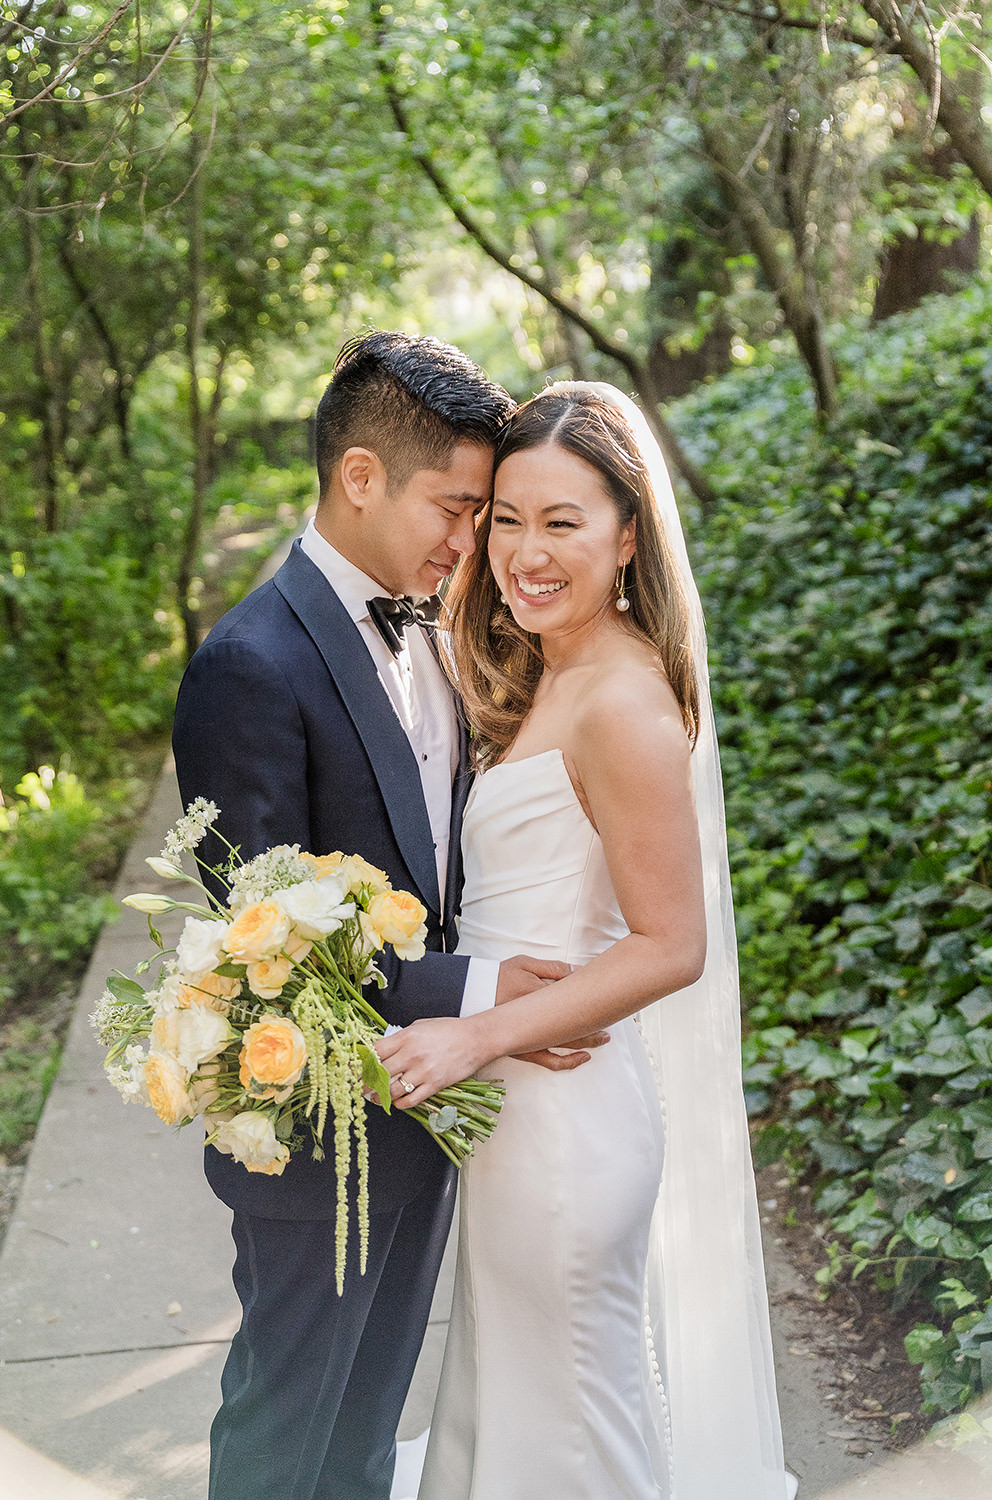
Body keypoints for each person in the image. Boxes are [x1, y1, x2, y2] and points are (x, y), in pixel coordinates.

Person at [172, 332, 605, 1500]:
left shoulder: (440, 626)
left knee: (366, 1437)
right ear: (361, 477)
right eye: (456, 508)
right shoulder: (248, 666)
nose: (471, 543)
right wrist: (478, 995)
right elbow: (268, 950)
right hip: (319, 1137)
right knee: (286, 1430)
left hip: (426, 1115)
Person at [376, 383, 792, 1499]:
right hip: (520, 1118)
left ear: (626, 537)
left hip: (565, 1119)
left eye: (563, 522)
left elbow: (669, 946)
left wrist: (474, 1037)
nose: (524, 550)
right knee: (515, 1415)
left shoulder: (622, 701)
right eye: (506, 519)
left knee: (570, 1434)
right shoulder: (551, 667)